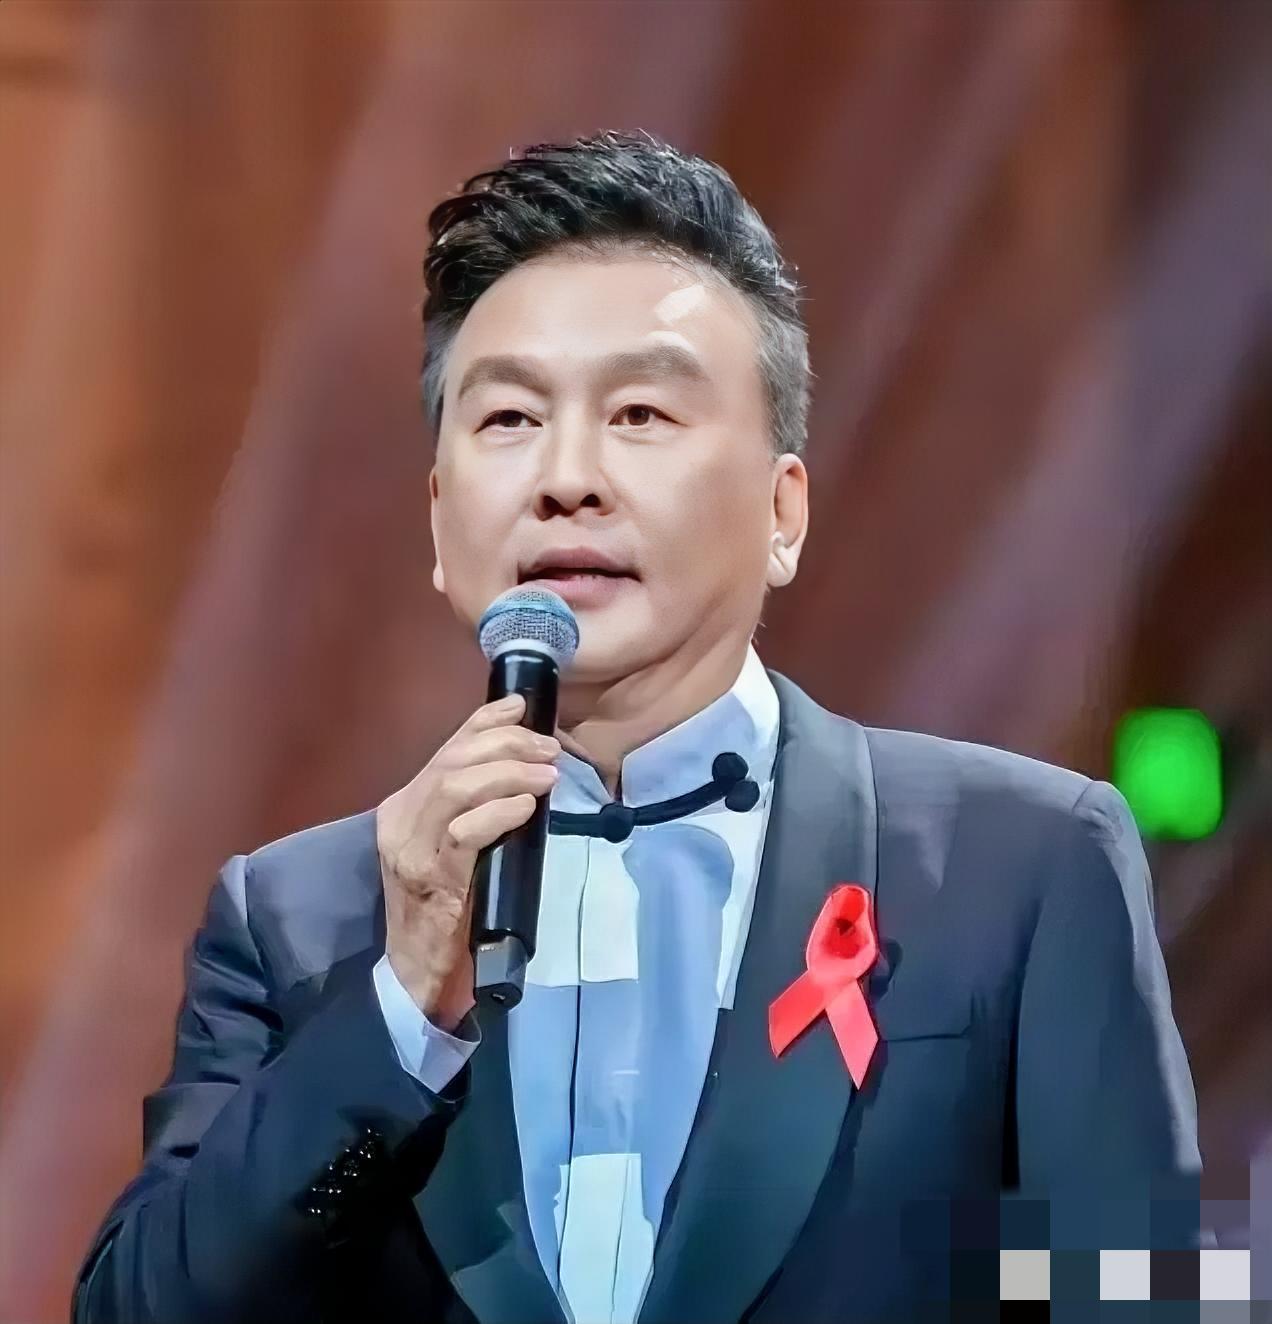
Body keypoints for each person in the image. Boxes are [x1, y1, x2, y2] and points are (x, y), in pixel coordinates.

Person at [74, 130, 1202, 1324]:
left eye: (642, 413)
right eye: (510, 419)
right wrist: (400, 1011)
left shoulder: (1023, 866)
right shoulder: (296, 921)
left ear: (782, 512)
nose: (566, 475)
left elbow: (1142, 1296)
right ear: (442, 522)